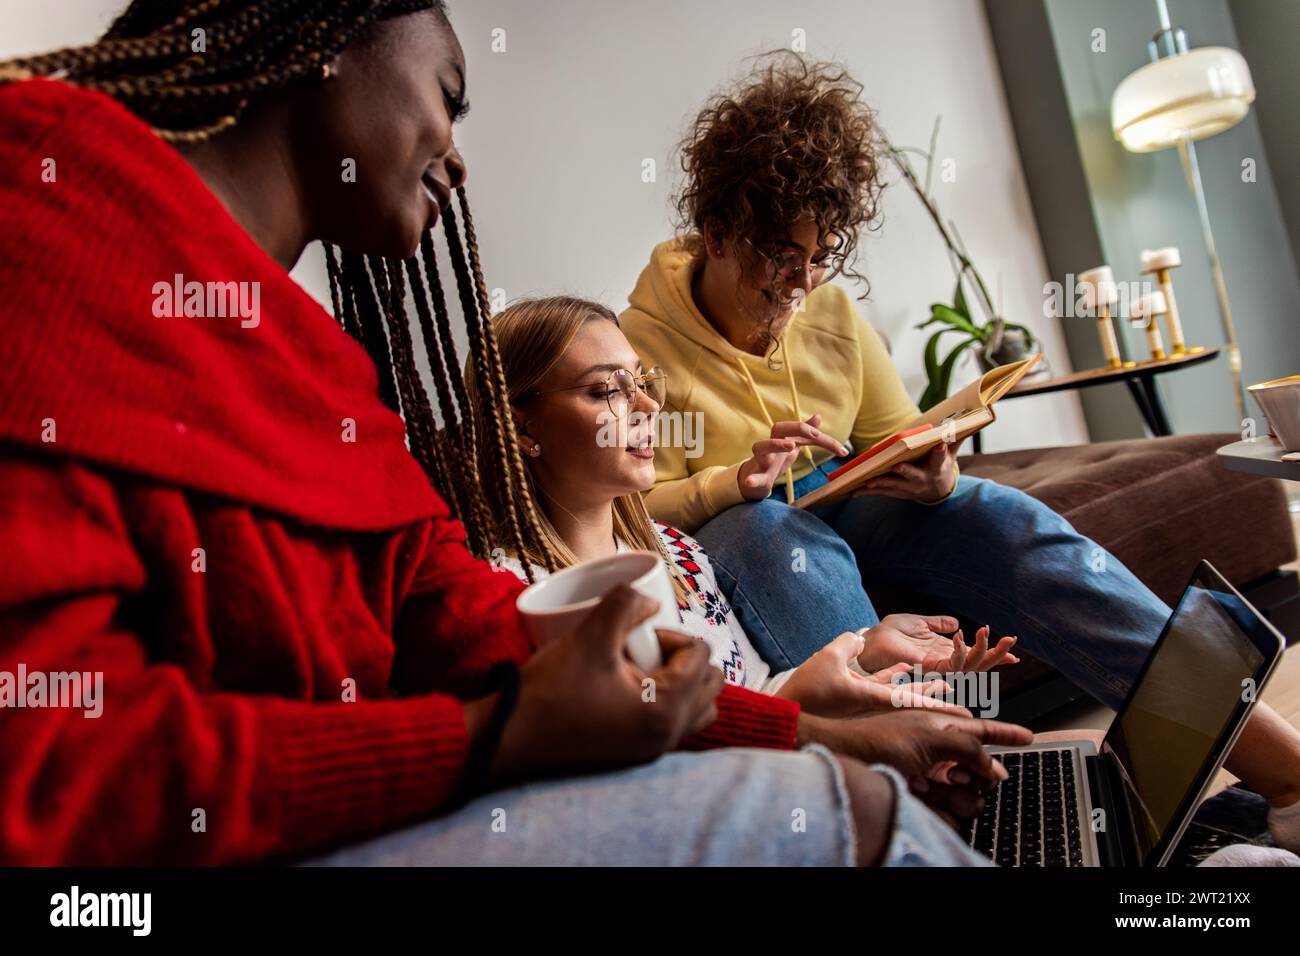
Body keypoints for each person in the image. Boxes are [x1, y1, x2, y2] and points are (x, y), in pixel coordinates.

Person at [0, 1, 1029, 866]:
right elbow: (48, 767)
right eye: (448, 94)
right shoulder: (43, 203)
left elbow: (482, 628)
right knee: (839, 815)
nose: (455, 148)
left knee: (834, 770)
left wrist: (819, 726)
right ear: (327, 29)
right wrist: (485, 737)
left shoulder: (321, 369)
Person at [617, 51, 1300, 847]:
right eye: (779, 258)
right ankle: (947, 807)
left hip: (851, 522)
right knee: (769, 527)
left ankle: (1283, 771)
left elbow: (895, 437)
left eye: (818, 256)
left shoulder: (830, 314)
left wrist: (935, 472)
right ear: (718, 233)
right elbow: (633, 507)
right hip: (749, 546)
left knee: (996, 512)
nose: (799, 285)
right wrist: (734, 480)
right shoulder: (638, 346)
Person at [472, 294, 1017, 717]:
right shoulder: (514, 596)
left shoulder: (679, 555)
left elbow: (758, 694)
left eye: (641, 381)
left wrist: (867, 648)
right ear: (521, 427)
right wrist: (797, 703)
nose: (647, 405)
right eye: (604, 391)